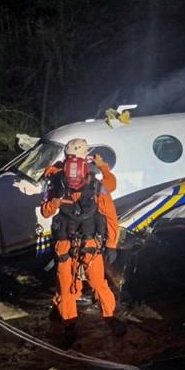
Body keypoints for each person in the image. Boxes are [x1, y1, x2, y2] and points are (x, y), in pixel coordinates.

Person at [40, 139, 123, 345]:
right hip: (79, 243)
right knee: (84, 284)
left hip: (75, 243)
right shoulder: (92, 185)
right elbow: (111, 215)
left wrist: (56, 201)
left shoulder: (60, 180)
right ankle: (96, 321)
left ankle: (84, 323)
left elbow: (46, 210)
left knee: (74, 285)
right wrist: (112, 244)